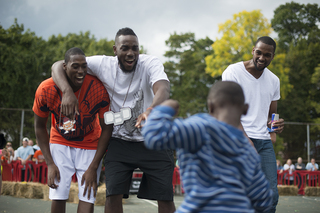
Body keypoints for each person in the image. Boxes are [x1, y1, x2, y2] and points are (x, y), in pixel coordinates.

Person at [51, 28, 174, 213]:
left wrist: (150, 109)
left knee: (165, 197)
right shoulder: (102, 64)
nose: (131, 53)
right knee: (112, 195)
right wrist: (67, 91)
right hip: (119, 140)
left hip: (154, 139)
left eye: (135, 48)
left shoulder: (150, 63)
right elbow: (58, 64)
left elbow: (163, 88)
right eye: (125, 48)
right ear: (115, 50)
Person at [142, 81, 273, 212]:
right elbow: (263, 199)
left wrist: (166, 107)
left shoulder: (200, 128)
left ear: (210, 106)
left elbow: (152, 135)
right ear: (245, 109)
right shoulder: (249, 150)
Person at [33, 47, 113, 213]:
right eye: (75, 66)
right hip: (60, 142)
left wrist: (94, 166)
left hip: (90, 144)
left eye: (84, 66)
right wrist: (50, 163)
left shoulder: (98, 89)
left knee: (87, 195)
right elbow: (40, 127)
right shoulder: (45, 89)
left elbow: (107, 127)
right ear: (65, 67)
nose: (81, 71)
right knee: (58, 193)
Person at [222, 36, 284, 213]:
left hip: (263, 143)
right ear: (253, 51)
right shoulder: (233, 71)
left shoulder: (274, 80)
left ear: (273, 56)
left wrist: (276, 124)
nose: (262, 58)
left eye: (267, 55)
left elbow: (271, 115)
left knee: (271, 195)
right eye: (259, 53)